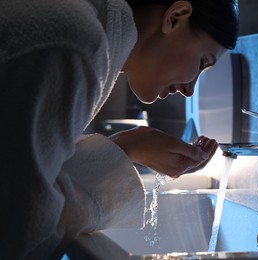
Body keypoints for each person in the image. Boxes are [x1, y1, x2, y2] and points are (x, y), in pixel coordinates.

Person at [0, 0, 239, 258]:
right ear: (175, 17)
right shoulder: (74, 42)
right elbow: (21, 229)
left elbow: (22, 180)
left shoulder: (78, 27)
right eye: (203, 63)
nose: (190, 89)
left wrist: (129, 147)